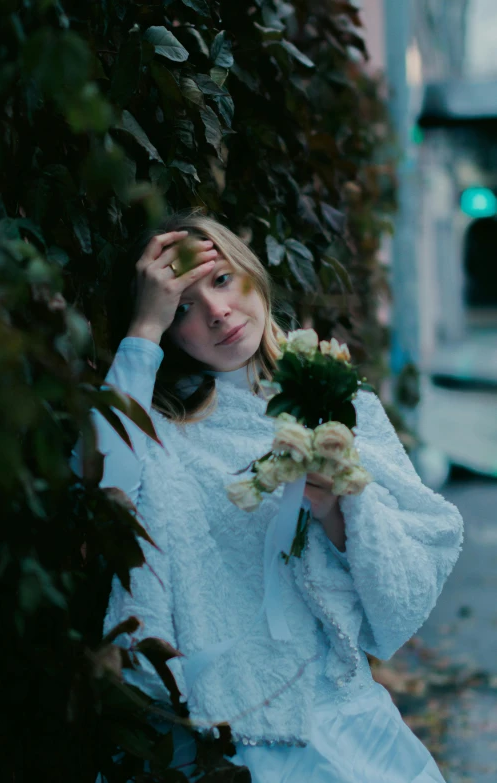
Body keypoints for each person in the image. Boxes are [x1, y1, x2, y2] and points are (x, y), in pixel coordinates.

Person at [72, 210, 464, 782]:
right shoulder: (156, 426)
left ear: (251, 272)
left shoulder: (331, 396)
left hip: (345, 715)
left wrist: (336, 511)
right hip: (232, 736)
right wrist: (142, 332)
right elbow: (101, 484)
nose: (217, 312)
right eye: (181, 309)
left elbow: (406, 571)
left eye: (223, 280)